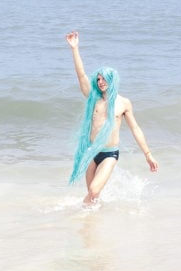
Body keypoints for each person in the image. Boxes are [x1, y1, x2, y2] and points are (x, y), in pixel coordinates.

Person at [66, 31, 158, 204]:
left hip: (109, 153)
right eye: (99, 79)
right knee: (94, 196)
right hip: (91, 152)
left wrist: (148, 154)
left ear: (113, 80)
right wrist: (75, 49)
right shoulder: (93, 99)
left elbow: (135, 129)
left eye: (104, 79)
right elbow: (81, 75)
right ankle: (91, 224)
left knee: (93, 191)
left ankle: (78, 212)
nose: (100, 82)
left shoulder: (123, 103)